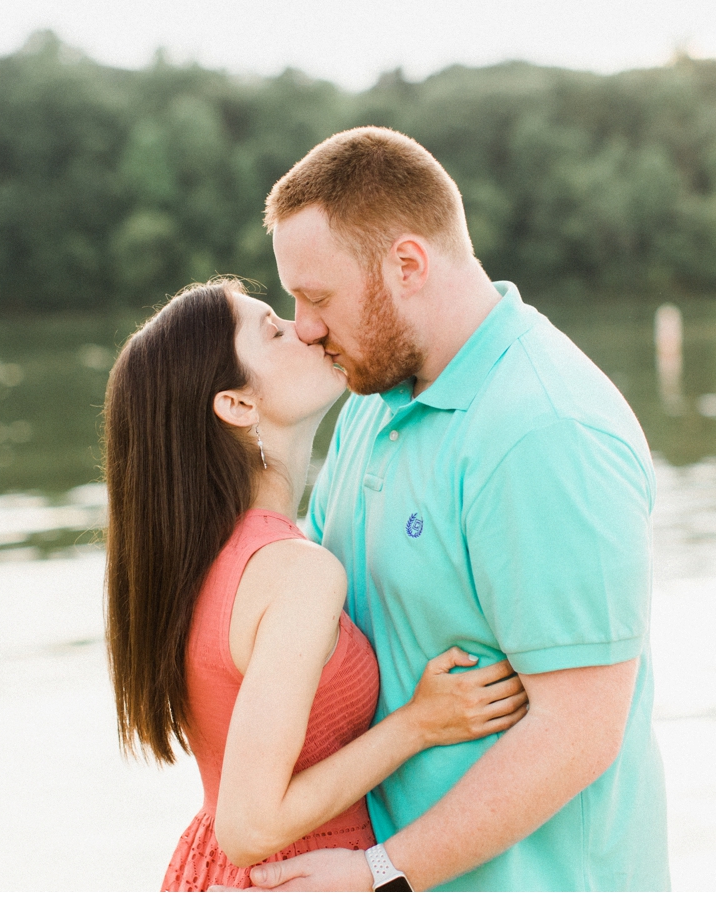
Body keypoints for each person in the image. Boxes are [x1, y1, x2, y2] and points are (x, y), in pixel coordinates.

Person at [242, 126, 669, 891]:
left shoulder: (544, 429)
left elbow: (578, 732)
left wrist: (382, 875)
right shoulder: (377, 400)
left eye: (317, 298)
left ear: (407, 264)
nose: (303, 327)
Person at [101, 278, 529, 891]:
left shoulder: (200, 557)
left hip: (218, 874)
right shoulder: (293, 572)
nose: (305, 329)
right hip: (298, 877)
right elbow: (249, 825)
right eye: (273, 329)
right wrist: (417, 725)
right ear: (237, 405)